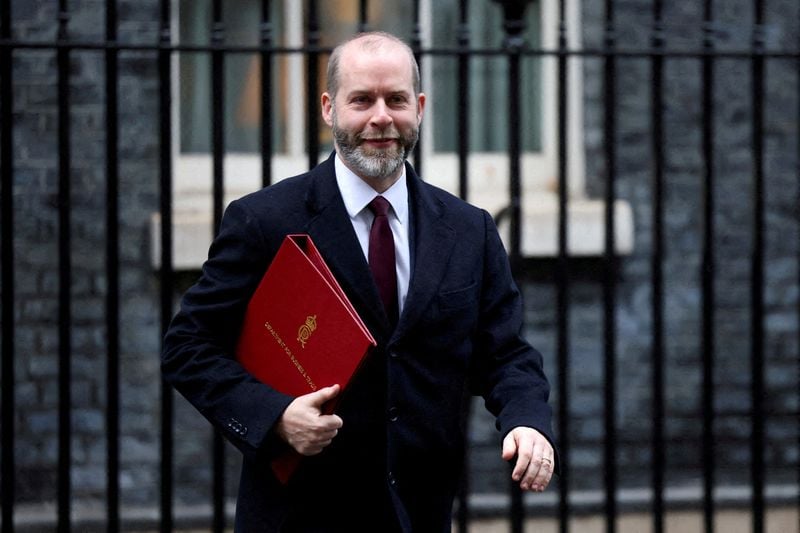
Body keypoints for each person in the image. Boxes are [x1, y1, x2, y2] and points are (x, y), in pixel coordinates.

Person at [162, 31, 557, 532]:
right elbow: (188, 347)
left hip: (420, 513)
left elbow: (505, 354)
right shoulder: (264, 221)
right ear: (329, 108)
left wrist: (526, 419)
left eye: (396, 100)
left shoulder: (468, 229)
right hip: (300, 517)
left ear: (419, 107)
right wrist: (275, 416)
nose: (381, 118)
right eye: (362, 100)